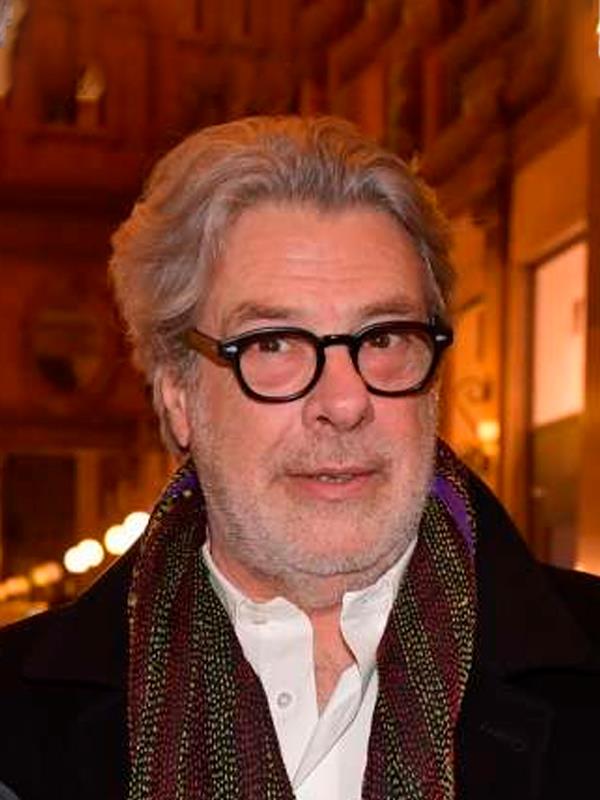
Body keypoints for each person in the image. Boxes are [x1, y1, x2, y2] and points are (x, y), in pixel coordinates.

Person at [0, 116, 599, 800]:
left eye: (383, 338)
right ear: (177, 396)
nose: (344, 402)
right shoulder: (17, 726)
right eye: (274, 344)